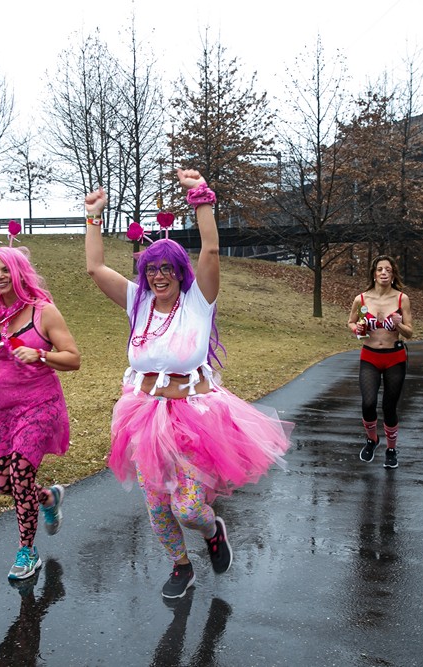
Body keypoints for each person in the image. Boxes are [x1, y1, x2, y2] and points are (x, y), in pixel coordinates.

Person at [83, 168, 291, 600]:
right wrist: (92, 218)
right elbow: (95, 267)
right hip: (145, 415)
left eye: (167, 269)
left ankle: (213, 531)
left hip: (196, 416)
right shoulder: (136, 302)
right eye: (151, 269)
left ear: (180, 272)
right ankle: (181, 566)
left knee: (189, 507)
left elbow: (211, 248)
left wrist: (200, 197)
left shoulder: (198, 301)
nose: (159, 276)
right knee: (157, 505)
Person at [0, 243, 81, 581]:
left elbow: (73, 358)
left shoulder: (43, 312)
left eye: (5, 269)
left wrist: (42, 356)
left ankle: (27, 551)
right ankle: (48, 498)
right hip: (0, 410)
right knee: (5, 482)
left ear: (19, 272)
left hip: (39, 403)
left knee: (21, 471)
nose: (0, 275)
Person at [348, 256, 414, 469]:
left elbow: (410, 332)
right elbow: (351, 322)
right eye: (380, 269)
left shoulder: (402, 298)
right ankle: (372, 439)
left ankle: (391, 449)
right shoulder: (362, 299)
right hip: (370, 356)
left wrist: (399, 325)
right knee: (368, 403)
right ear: (374, 274)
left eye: (388, 269)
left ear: (393, 274)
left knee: (389, 406)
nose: (384, 273)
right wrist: (357, 329)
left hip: (395, 357)